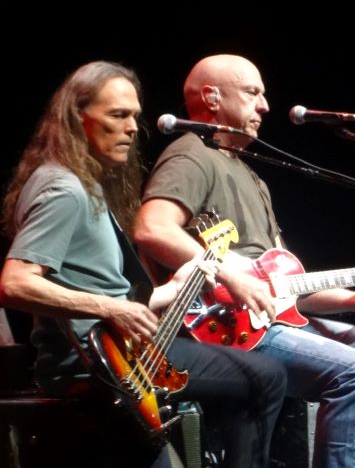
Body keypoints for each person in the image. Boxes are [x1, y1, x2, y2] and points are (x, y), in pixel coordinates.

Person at [0, 61, 287, 468]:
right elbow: (15, 284)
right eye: (118, 115)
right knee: (266, 377)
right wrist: (113, 307)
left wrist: (175, 288)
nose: (134, 128)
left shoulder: (84, 185)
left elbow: (104, 291)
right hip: (95, 365)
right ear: (76, 118)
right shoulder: (63, 189)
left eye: (134, 115)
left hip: (123, 354)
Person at [132, 54, 355, 468]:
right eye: (253, 93)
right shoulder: (191, 156)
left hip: (269, 318)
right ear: (212, 97)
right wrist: (229, 276)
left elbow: (285, 287)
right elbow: (152, 230)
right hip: (222, 326)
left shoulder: (252, 178)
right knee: (354, 371)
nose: (265, 106)